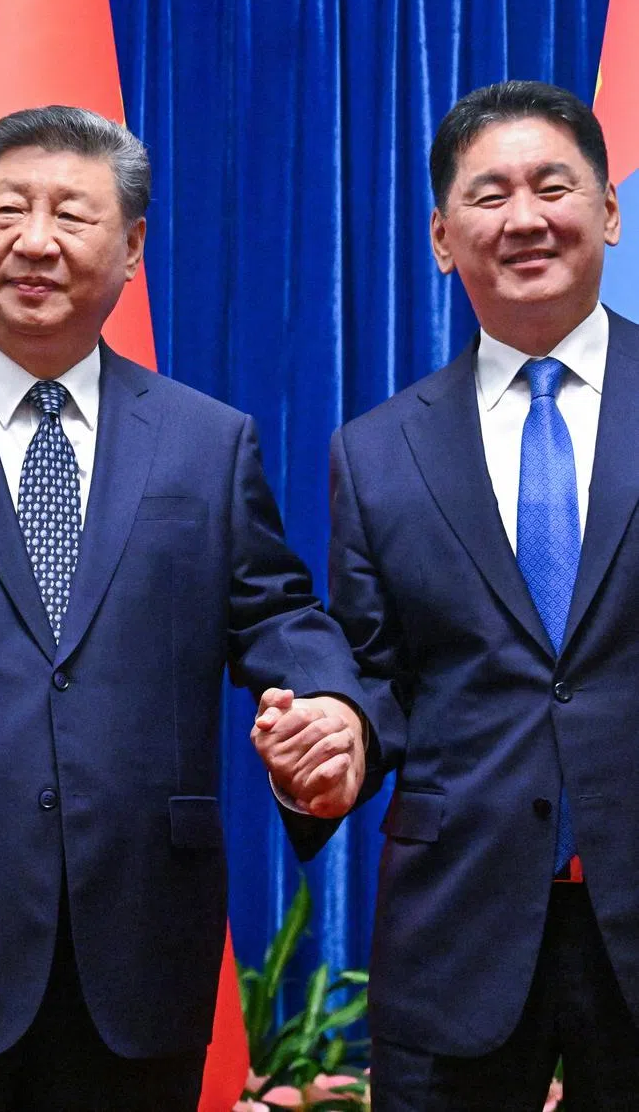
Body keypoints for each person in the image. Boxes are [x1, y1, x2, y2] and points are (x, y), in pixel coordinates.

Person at [0, 104, 368, 1112]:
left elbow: (276, 613)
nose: (34, 240)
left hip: (142, 943)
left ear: (131, 247)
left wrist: (327, 704)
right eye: (7, 209)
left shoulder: (205, 443)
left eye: (71, 215)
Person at [255, 81, 639, 1111]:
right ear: (439, 236)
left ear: (607, 210)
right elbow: (383, 675)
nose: (524, 218)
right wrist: (340, 740)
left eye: (553, 186)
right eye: (489, 195)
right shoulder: (377, 453)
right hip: (459, 926)